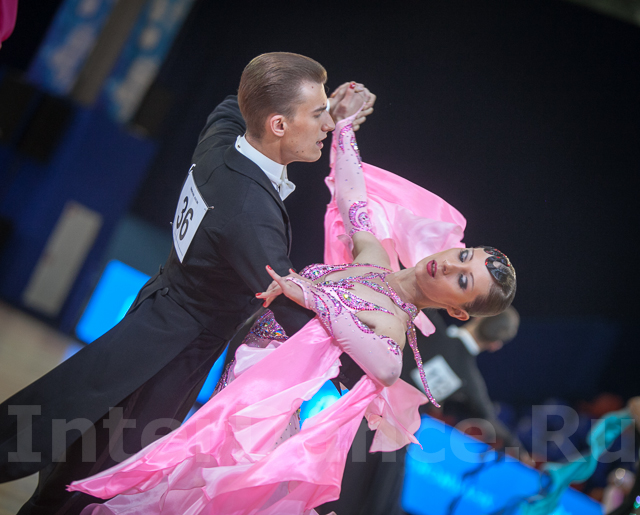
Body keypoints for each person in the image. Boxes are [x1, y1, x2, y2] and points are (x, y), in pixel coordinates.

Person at [68, 93, 517, 514]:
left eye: (462, 281)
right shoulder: (374, 259)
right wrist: (344, 127)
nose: (449, 265)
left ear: (458, 311)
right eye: (464, 257)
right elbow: (352, 196)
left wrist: (315, 297)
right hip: (237, 387)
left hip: (258, 423)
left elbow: (386, 369)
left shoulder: (394, 324)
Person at [0, 52, 374, 514]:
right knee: (100, 481)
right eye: (318, 116)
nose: (328, 125)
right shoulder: (251, 214)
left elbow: (234, 104)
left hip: (151, 318)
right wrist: (365, 369)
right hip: (168, 359)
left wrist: (322, 106)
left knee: (74, 459)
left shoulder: (222, 141)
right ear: (278, 125)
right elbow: (289, 305)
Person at [318, 307, 528, 515]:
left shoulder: (428, 326)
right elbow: (491, 421)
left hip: (356, 412)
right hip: (391, 445)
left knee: (325, 482)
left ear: (476, 318)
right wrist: (523, 453)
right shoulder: (470, 380)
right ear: (494, 345)